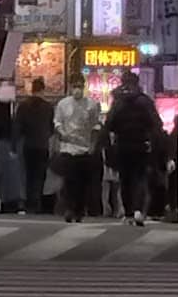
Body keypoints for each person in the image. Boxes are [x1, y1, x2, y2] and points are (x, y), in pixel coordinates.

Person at [104, 71, 164, 227]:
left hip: (122, 144)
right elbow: (156, 123)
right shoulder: (145, 101)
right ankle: (138, 209)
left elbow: (109, 123)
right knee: (140, 177)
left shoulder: (118, 102)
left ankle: (129, 213)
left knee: (125, 179)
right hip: (141, 144)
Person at [53, 81, 101, 222]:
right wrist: (63, 133)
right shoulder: (63, 104)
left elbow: (95, 125)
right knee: (69, 181)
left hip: (84, 149)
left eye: (79, 87)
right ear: (70, 88)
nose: (77, 90)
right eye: (74, 87)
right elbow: (57, 122)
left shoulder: (91, 105)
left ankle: (79, 210)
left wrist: (93, 144)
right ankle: (69, 208)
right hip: (68, 148)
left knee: (82, 182)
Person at [14, 78, 55, 215]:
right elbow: (52, 127)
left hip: (28, 144)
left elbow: (17, 127)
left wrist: (14, 145)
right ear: (43, 90)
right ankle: (38, 202)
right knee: (40, 175)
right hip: (43, 145)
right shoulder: (48, 107)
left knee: (29, 175)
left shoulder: (23, 106)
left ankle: (29, 203)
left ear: (32, 89)